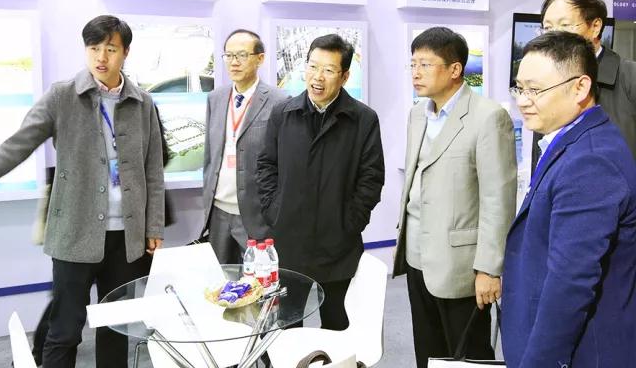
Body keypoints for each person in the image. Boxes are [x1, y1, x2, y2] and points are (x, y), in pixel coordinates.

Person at [0, 15, 165, 368]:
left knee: (115, 329)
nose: (101, 57)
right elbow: (15, 147)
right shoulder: (63, 96)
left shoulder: (142, 102)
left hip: (126, 237)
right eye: (93, 48)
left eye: (111, 49)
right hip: (75, 233)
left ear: (125, 52)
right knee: (65, 330)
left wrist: (154, 226)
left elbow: (153, 168)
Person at [502, 31, 636, 367]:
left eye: (535, 90)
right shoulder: (570, 140)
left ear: (580, 88)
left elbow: (570, 283)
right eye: (520, 88)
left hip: (582, 351)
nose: (523, 101)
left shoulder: (591, 161)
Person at [392, 26, 516, 368]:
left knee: (468, 355)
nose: (416, 73)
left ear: (455, 69)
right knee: (427, 349)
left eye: (425, 64)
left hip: (462, 264)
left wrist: (489, 268)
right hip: (417, 256)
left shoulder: (488, 117)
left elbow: (498, 199)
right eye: (413, 64)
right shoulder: (418, 113)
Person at [257, 33, 385, 331]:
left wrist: (349, 221)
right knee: (286, 327)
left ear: (345, 76)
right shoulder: (283, 113)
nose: (318, 77)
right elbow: (266, 166)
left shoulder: (363, 119)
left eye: (328, 70)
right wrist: (275, 210)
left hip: (338, 244)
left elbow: (371, 178)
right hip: (290, 242)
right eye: (313, 66)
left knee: (338, 326)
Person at [201, 29, 288, 263]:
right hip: (218, 212)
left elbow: (284, 164)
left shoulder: (279, 101)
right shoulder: (215, 98)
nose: (234, 62)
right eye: (228, 55)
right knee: (220, 279)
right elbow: (210, 156)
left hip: (257, 216)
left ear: (260, 58)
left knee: (259, 279)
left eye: (241, 55)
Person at [531, 0, 636, 169]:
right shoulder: (546, 83)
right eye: (548, 28)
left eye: (565, 25)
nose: (555, 36)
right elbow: (541, 156)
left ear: (595, 27)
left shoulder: (630, 76)